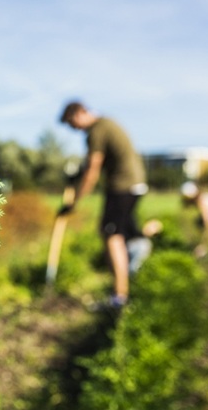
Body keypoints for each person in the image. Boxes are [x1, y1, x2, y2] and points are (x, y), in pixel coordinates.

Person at [58, 101, 148, 310]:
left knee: (111, 235)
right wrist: (77, 174)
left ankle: (119, 297)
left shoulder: (96, 131)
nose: (74, 129)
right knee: (126, 233)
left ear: (79, 114)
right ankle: (133, 280)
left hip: (122, 187)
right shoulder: (107, 123)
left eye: (72, 123)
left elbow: (93, 169)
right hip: (135, 184)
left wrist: (73, 202)